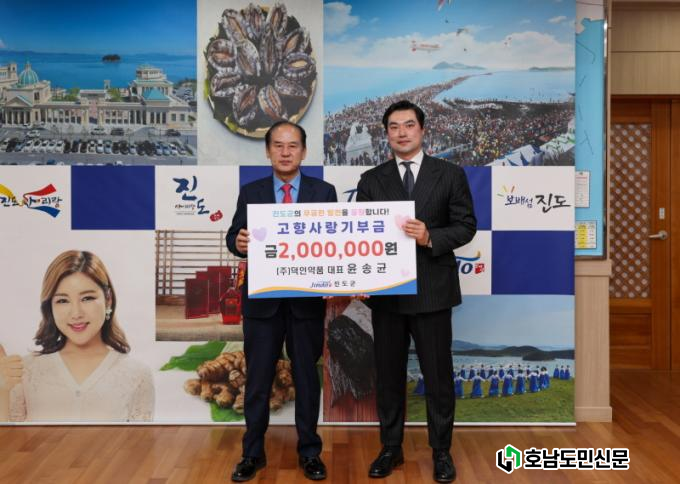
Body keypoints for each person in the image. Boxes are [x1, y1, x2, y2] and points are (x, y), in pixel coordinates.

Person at [356, 100, 477, 483]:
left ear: (422, 130)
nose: (402, 132)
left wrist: (430, 236)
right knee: (388, 376)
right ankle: (390, 447)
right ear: (386, 134)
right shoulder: (371, 179)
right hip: (388, 294)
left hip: (432, 291)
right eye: (394, 126)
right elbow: (359, 235)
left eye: (409, 125)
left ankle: (441, 451)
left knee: (438, 377)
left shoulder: (450, 174)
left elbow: (466, 226)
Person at [226, 120, 338, 482]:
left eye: (292, 146)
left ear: (304, 151)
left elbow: (335, 244)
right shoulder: (251, 191)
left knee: (306, 378)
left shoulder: (324, 192)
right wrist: (238, 242)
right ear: (268, 151)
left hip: (306, 303)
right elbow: (234, 236)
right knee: (258, 380)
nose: (285, 152)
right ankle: (252, 453)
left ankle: (310, 452)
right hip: (263, 303)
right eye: (278, 145)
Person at [0, 250, 154, 423]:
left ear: (108, 299)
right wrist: (2, 392)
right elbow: (7, 439)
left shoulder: (137, 375)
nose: (76, 313)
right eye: (63, 300)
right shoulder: (24, 371)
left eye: (87, 298)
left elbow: (140, 440)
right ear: (50, 306)